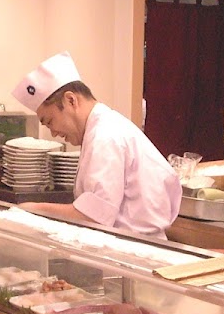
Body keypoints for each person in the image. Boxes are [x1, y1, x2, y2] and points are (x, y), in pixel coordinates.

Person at [11, 52, 180, 239]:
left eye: (50, 121)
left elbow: (93, 217)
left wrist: (33, 209)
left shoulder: (106, 136)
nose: (53, 133)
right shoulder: (100, 128)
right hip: (126, 244)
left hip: (133, 248)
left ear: (71, 100)